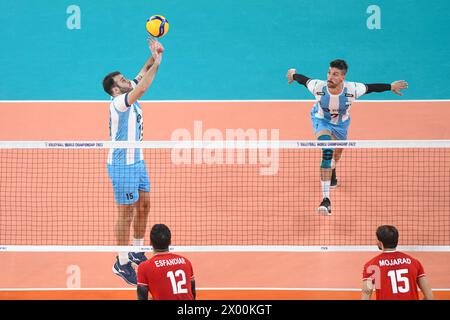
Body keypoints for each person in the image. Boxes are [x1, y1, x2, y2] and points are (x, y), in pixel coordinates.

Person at [286, 60, 408, 215]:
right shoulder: (318, 86)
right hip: (321, 121)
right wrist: (292, 75)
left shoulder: (353, 89)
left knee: (336, 155)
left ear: (343, 77)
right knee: (327, 151)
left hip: (341, 125)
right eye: (329, 72)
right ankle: (326, 199)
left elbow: (372, 88)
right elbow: (303, 80)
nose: (330, 76)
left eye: (335, 74)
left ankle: (333, 169)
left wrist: (391, 86)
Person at [102, 38, 163, 285]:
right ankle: (122, 261)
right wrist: (157, 64)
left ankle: (137, 249)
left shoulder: (126, 91)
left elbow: (142, 72)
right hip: (121, 166)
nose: (128, 80)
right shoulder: (119, 102)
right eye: (122, 81)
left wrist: (155, 54)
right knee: (125, 214)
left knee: (144, 204)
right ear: (115, 90)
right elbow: (142, 88)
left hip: (137, 160)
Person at [361, 225, 434, 300]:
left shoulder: (372, 266)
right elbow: (429, 297)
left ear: (381, 243)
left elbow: (366, 296)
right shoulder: (414, 262)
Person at [137, 224, 196, 300]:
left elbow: (142, 298)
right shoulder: (186, 262)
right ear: (170, 242)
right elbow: (193, 293)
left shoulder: (144, 267)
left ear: (150, 243)